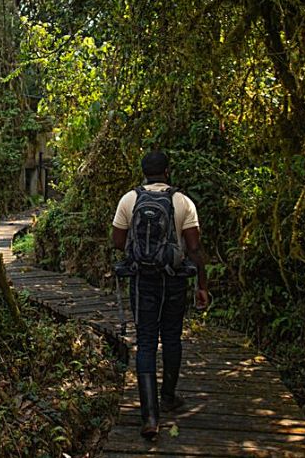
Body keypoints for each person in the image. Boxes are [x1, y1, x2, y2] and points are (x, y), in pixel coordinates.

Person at [112, 149, 209, 440]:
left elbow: (118, 242)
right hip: (175, 281)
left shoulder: (130, 199)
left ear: (144, 173)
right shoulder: (183, 202)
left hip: (142, 282)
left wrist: (141, 250)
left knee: (144, 342)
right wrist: (202, 285)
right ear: (167, 171)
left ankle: (150, 417)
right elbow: (194, 247)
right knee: (171, 337)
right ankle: (168, 396)